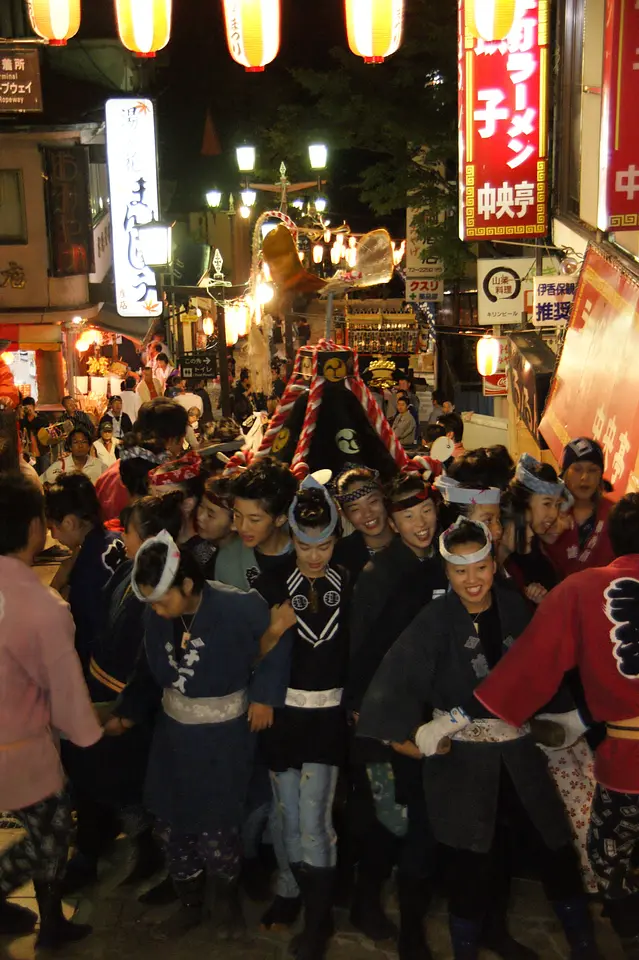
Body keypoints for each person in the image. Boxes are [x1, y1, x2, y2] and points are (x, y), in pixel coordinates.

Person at [359, 517, 601, 960]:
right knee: (471, 865)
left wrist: (558, 720)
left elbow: (546, 668)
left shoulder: (514, 608)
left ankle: (584, 947)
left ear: (494, 564)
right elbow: (394, 681)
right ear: (447, 573)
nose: (472, 580)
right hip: (463, 760)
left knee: (554, 850)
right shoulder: (433, 619)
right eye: (460, 571)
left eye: (481, 567)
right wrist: (413, 736)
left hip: (520, 753)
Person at [476, 493, 639, 958]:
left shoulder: (582, 588)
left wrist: (485, 708)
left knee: (608, 857)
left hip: (626, 765)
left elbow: (532, 665)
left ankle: (629, 934)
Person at [123, 531, 278, 940]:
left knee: (217, 827)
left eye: (162, 600)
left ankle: (225, 903)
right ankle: (189, 901)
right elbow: (146, 668)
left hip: (223, 739)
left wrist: (263, 697)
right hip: (173, 739)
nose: (156, 611)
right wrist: (126, 711)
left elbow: (276, 646)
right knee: (171, 825)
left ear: (187, 584)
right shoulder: (156, 618)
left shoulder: (238, 606)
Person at [0, 474, 102, 948]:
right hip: (20, 744)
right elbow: (67, 692)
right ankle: (51, 923)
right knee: (52, 829)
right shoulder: (44, 607)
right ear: (36, 526)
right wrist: (90, 737)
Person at [347, 475, 446, 959]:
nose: (420, 523)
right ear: (393, 521)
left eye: (425, 510)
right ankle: (371, 906)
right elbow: (361, 653)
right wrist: (374, 722)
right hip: (385, 720)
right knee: (387, 820)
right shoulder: (381, 574)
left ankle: (406, 919)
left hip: (432, 717)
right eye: (408, 516)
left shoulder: (447, 564)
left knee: (416, 823)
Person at [255, 478, 351, 960]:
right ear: (291, 538)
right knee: (286, 814)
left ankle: (319, 918)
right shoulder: (270, 583)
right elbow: (248, 654)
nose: (315, 556)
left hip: (329, 716)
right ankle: (292, 888)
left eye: (326, 544)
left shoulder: (351, 580)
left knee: (314, 818)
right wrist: (273, 629)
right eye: (304, 544)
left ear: (337, 537)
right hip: (283, 715)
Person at [95, 398, 188, 521]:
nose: (182, 445)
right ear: (170, 440)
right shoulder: (155, 481)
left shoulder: (115, 471)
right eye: (181, 438)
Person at [216, 458, 298, 590]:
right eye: (237, 515)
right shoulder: (228, 559)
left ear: (280, 519)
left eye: (254, 520)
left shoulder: (308, 553)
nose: (242, 527)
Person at [499, 454, 569, 604]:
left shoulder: (539, 542)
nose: (553, 514)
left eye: (557, 505)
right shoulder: (509, 549)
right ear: (524, 503)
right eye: (546, 504)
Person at [543, 438, 615, 580]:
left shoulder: (614, 514)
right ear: (564, 473)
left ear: (600, 475)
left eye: (592, 470)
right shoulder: (548, 513)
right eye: (577, 469)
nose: (584, 477)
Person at [332, 466, 395, 582]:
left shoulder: (411, 539)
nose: (367, 514)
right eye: (355, 509)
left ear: (384, 498)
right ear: (345, 515)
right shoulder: (339, 557)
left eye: (372, 502)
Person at [195, 476, 235, 579]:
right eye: (201, 506)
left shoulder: (238, 563)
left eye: (210, 514)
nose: (200, 517)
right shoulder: (201, 548)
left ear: (235, 522)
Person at [41, 425, 106, 485]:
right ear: (70, 447)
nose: (80, 446)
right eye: (75, 442)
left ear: (89, 446)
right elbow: (39, 483)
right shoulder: (59, 466)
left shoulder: (100, 466)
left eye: (84, 442)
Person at [19, 396, 50, 473]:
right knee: (33, 473)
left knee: (45, 472)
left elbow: (44, 425)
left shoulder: (41, 417)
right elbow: (25, 426)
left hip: (42, 450)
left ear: (34, 406)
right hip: (29, 452)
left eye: (30, 406)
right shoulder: (23, 420)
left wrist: (33, 414)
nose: (28, 408)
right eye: (25, 406)